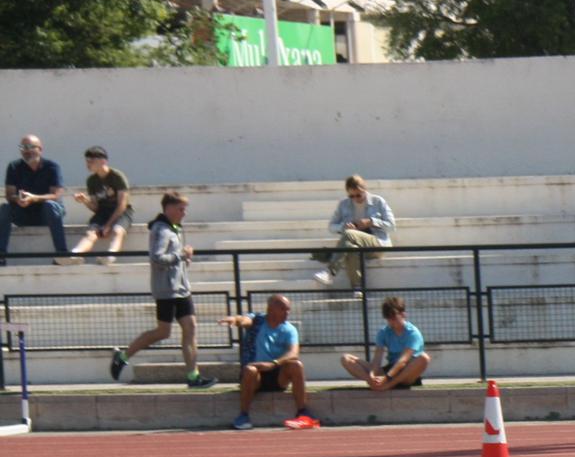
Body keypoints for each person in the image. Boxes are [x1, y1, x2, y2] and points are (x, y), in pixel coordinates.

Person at [109, 192, 216, 391]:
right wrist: (181, 255)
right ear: (168, 208)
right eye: (180, 209)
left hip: (182, 289)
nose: (184, 213)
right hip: (167, 290)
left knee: (190, 327)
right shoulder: (161, 230)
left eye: (185, 209)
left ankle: (194, 376)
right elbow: (157, 257)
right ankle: (123, 356)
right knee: (162, 332)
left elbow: (173, 258)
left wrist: (184, 259)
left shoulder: (174, 229)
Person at [223, 295, 317, 430]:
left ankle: (303, 413)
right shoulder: (257, 321)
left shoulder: (289, 329)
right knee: (250, 370)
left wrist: (273, 364)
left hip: (277, 374)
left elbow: (293, 353)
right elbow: (245, 320)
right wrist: (236, 320)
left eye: (288, 309)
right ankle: (243, 415)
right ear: (271, 309)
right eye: (283, 309)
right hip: (256, 376)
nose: (287, 313)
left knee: (296, 365)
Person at [314, 174, 395, 290]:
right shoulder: (344, 205)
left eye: (358, 195)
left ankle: (330, 272)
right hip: (356, 243)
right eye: (351, 196)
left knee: (349, 234)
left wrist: (372, 222)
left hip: (376, 243)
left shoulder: (378, 202)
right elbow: (331, 227)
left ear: (365, 190)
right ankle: (358, 287)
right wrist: (344, 226)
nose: (355, 198)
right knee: (350, 247)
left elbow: (392, 226)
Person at [1, 134, 70, 265]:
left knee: (51, 205)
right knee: (5, 208)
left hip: (46, 215)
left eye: (30, 147)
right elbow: (9, 195)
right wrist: (19, 199)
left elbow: (56, 195)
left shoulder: (52, 167)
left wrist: (34, 198)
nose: (26, 151)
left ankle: (62, 254)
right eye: (23, 147)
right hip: (24, 213)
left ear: (40, 149)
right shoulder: (14, 167)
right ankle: (1, 255)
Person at [341, 296, 429, 390]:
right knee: (346, 358)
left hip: (408, 372)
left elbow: (403, 361)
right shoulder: (383, 332)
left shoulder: (413, 333)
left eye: (394, 318)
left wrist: (387, 377)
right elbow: (377, 359)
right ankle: (373, 384)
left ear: (403, 315)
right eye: (388, 319)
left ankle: (388, 385)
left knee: (424, 358)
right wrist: (372, 374)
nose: (392, 322)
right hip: (389, 369)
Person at [70, 146, 132, 262]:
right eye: (87, 161)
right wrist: (85, 200)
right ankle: (74, 254)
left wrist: (108, 225)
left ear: (103, 161)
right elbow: (95, 207)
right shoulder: (91, 181)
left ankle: (110, 256)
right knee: (91, 233)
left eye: (91, 161)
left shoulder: (117, 177)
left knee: (117, 231)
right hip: (102, 212)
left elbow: (122, 205)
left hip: (121, 212)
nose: (88, 164)